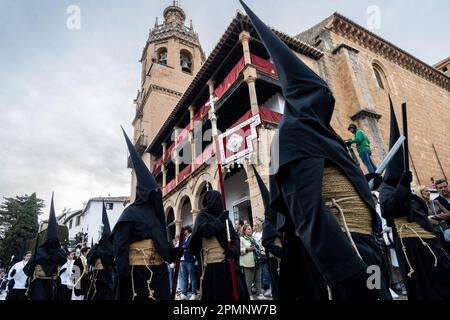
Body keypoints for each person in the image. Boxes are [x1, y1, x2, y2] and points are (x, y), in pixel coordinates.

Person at [239, 0, 390, 300]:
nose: (327, 97)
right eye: (318, 92)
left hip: (366, 243)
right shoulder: (292, 135)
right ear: (304, 96)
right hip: (345, 249)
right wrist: (346, 268)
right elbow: (307, 210)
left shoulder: (324, 134)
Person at [379, 104, 450, 300]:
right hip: (410, 244)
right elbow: (388, 209)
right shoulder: (386, 188)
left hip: (428, 241)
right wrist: (402, 186)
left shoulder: (409, 191)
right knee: (425, 284)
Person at [109, 128, 178, 300]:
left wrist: (175, 252)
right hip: (136, 275)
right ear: (144, 193)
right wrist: (124, 275)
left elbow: (161, 244)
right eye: (153, 191)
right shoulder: (130, 214)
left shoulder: (156, 216)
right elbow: (120, 246)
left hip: (159, 274)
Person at [189, 190, 250, 300]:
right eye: (217, 199)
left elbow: (235, 237)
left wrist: (234, 250)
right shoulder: (202, 215)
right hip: (213, 267)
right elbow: (205, 231)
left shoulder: (226, 217)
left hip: (229, 264)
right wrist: (220, 219)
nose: (219, 202)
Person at [24, 194, 67, 300]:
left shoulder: (55, 252)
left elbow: (28, 270)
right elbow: (28, 269)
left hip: (53, 284)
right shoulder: (42, 251)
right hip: (40, 284)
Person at [86, 201, 115, 300]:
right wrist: (95, 250)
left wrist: (99, 252)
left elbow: (110, 259)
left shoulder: (111, 247)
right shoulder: (96, 246)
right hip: (95, 276)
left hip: (107, 277)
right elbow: (89, 261)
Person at [240, 224, 264, 300]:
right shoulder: (241, 239)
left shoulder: (253, 238)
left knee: (258, 279)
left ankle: (259, 293)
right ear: (244, 231)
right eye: (248, 229)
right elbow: (238, 250)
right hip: (248, 263)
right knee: (248, 280)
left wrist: (262, 250)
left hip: (257, 261)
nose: (250, 230)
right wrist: (247, 249)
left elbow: (259, 246)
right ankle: (248, 294)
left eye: (250, 229)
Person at [179, 226, 198, 300]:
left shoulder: (192, 237)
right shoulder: (184, 238)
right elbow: (182, 246)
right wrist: (184, 247)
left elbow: (189, 246)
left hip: (190, 260)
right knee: (184, 278)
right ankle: (184, 293)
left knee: (193, 278)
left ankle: (194, 293)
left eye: (184, 230)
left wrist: (184, 247)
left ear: (187, 230)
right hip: (183, 260)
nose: (183, 232)